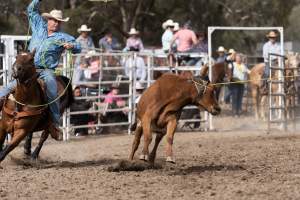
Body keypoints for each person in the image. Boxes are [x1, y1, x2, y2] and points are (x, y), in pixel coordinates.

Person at [0, 0, 81, 140]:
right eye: (53, 20)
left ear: (60, 23)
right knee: (10, 86)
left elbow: (78, 46)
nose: (55, 23)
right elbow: (31, 9)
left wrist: (71, 46)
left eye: (58, 21)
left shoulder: (62, 37)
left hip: (46, 70)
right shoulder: (38, 26)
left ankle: (54, 122)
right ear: (48, 20)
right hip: (29, 69)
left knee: (51, 86)